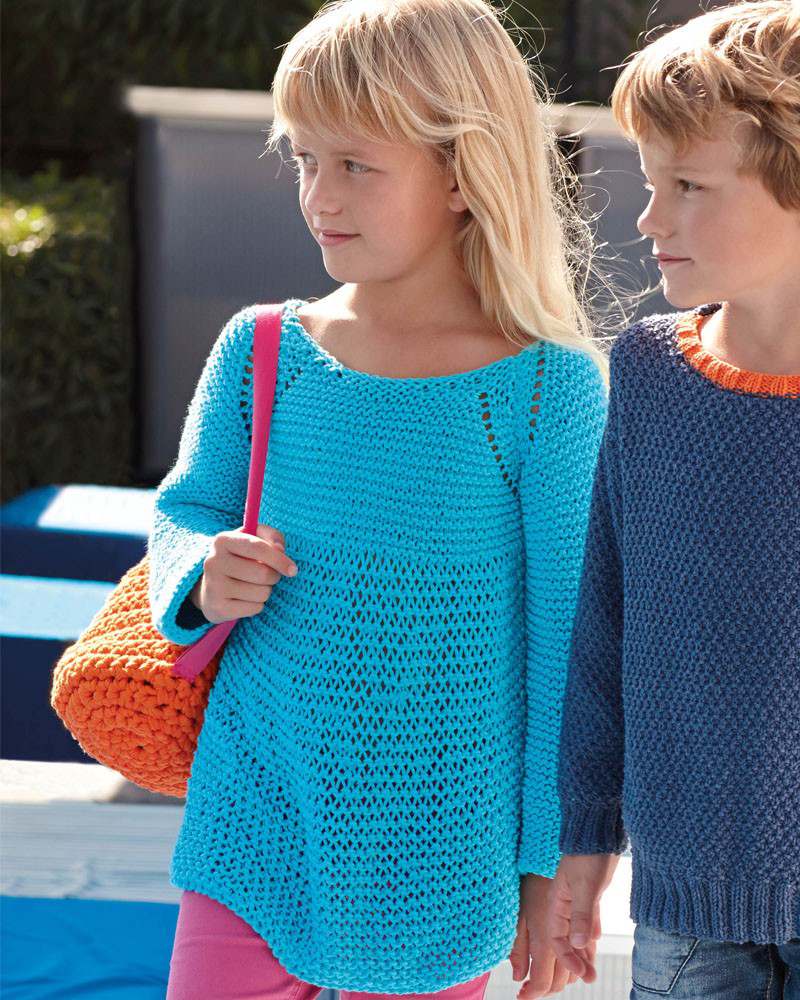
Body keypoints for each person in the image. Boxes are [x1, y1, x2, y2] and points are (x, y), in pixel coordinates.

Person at [148, 1, 622, 997]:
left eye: (356, 165)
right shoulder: (261, 351)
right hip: (251, 827)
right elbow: (185, 511)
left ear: (460, 172)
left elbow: (567, 651)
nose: (319, 195)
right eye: (303, 159)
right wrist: (200, 572)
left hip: (442, 863)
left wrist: (547, 867)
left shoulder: (546, 389)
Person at [546, 2, 800, 998]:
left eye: (687, 186)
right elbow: (604, 621)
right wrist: (583, 836)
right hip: (684, 918)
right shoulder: (649, 372)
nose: (648, 219)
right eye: (651, 184)